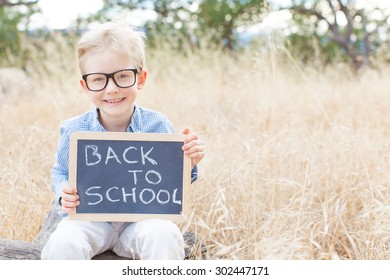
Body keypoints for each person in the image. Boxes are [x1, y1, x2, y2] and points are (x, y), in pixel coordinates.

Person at [41, 22, 205, 260]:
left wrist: (189, 161)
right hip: (90, 220)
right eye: (98, 79)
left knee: (165, 234)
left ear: (140, 78)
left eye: (122, 76)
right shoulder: (74, 129)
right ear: (85, 86)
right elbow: (60, 172)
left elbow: (174, 180)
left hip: (140, 221)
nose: (112, 88)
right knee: (63, 241)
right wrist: (62, 192)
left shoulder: (157, 125)